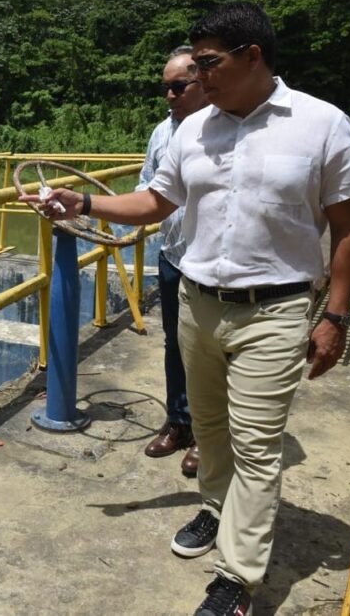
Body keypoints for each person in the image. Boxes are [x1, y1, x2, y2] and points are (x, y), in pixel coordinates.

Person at [22, 2, 350, 616]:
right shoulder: (193, 129)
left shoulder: (322, 124)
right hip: (197, 303)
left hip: (275, 311)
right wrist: (83, 204)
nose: (195, 78)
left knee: (256, 446)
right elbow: (156, 203)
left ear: (252, 56)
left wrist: (335, 317)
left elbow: (348, 229)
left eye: (207, 64)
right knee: (208, 430)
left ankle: (236, 579)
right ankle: (214, 508)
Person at [138, 46, 208, 477]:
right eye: (165, 87)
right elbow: (147, 185)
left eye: (178, 86)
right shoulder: (162, 132)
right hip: (173, 255)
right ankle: (179, 423)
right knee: (174, 344)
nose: (169, 95)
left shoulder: (221, 129)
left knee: (208, 349)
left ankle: (206, 434)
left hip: (210, 262)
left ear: (203, 82)